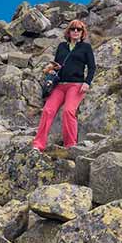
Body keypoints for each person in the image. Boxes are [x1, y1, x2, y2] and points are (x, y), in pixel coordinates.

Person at [32, 19, 96, 151]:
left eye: (79, 29)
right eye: (73, 29)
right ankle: (38, 145)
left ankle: (70, 145)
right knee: (47, 111)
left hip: (76, 85)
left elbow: (92, 67)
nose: (76, 31)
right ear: (69, 31)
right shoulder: (62, 46)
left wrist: (87, 82)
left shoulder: (86, 47)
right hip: (59, 85)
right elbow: (57, 64)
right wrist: (52, 68)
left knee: (68, 111)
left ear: (83, 32)